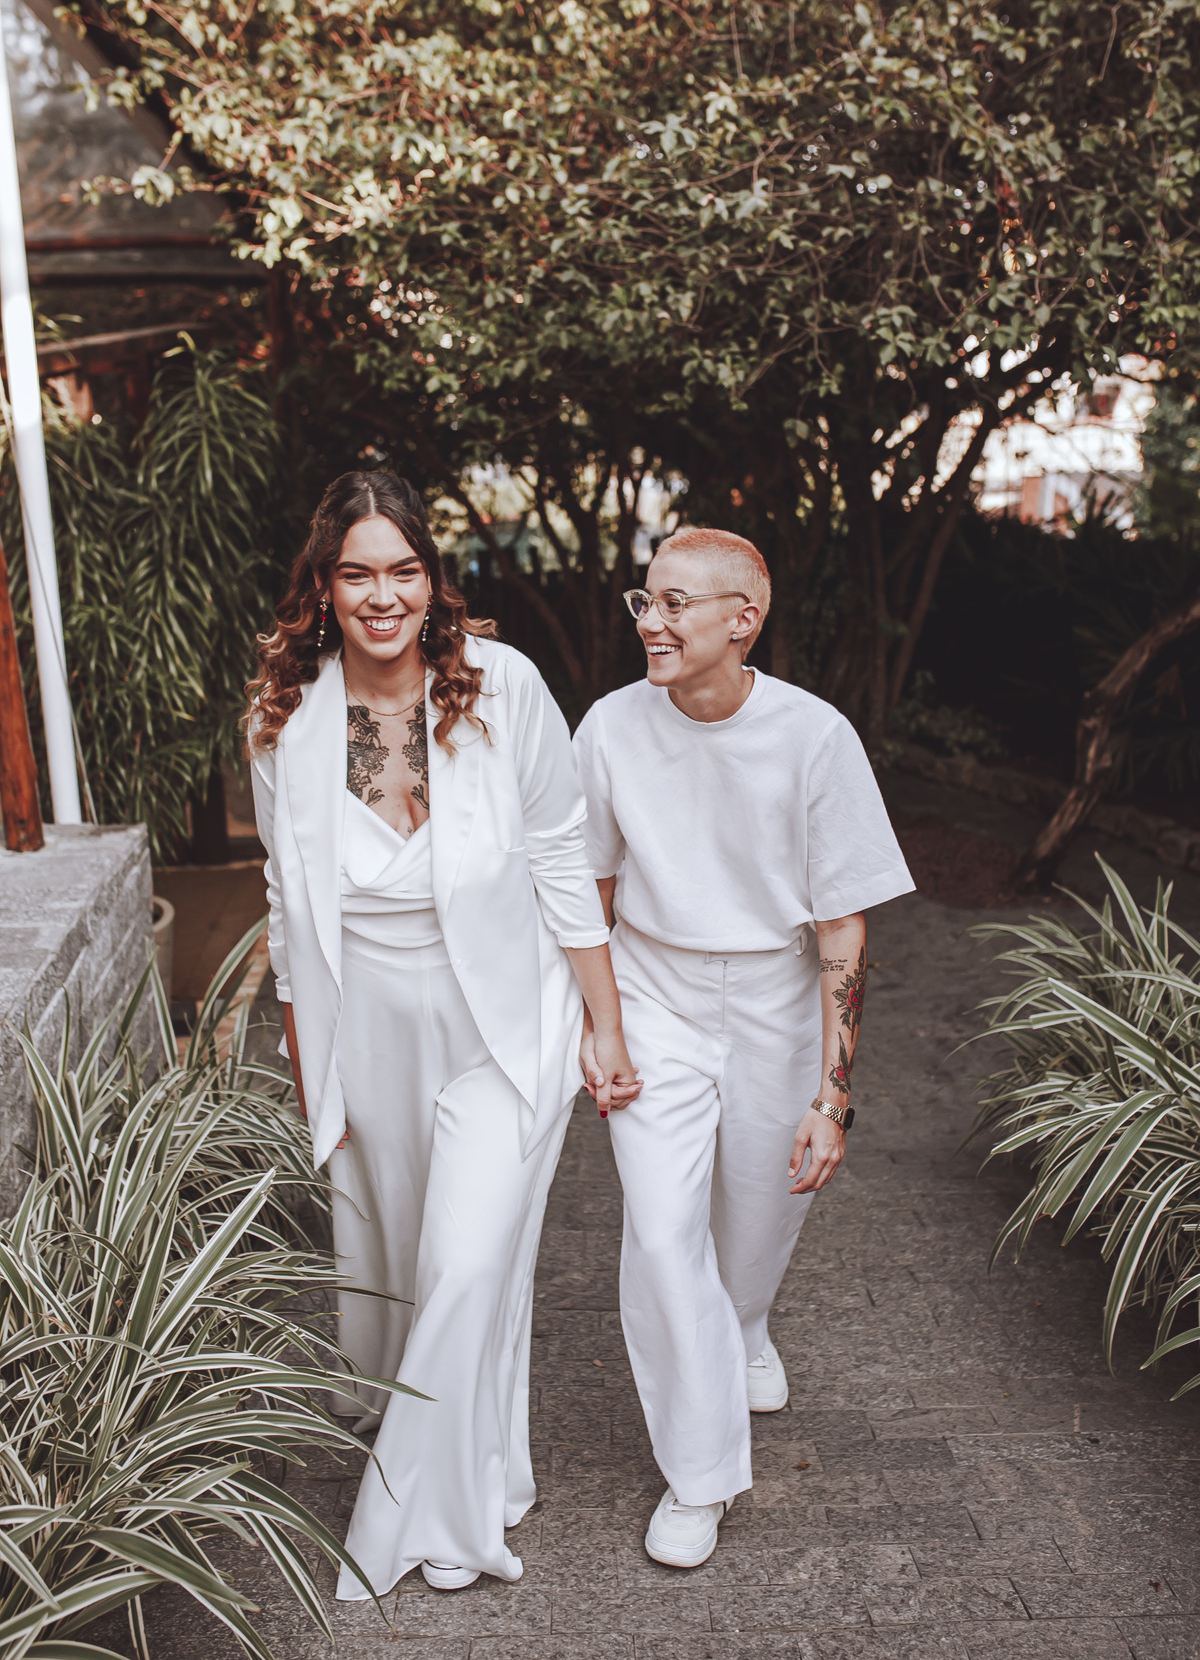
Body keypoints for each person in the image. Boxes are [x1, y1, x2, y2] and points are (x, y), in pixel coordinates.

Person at [246, 470, 638, 1598]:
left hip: (503, 1023)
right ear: (324, 589)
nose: (383, 596)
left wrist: (605, 1024)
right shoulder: (286, 719)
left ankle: (422, 1518)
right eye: (357, 574)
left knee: (469, 1262)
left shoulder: (500, 686)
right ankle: (487, 1467)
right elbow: (285, 907)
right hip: (368, 1033)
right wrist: (313, 1082)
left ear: (432, 578)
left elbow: (561, 857)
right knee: (415, 1265)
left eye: (403, 571)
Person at [573, 526, 914, 1570]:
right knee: (662, 1233)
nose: (652, 621)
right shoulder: (610, 726)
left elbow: (843, 925)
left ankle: (748, 1322)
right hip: (655, 993)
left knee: (760, 1217)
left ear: (743, 620)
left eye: (677, 603)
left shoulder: (816, 737)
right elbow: (589, 888)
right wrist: (599, 1024)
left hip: (775, 993)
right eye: (646, 599)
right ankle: (701, 1474)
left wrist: (834, 1095)